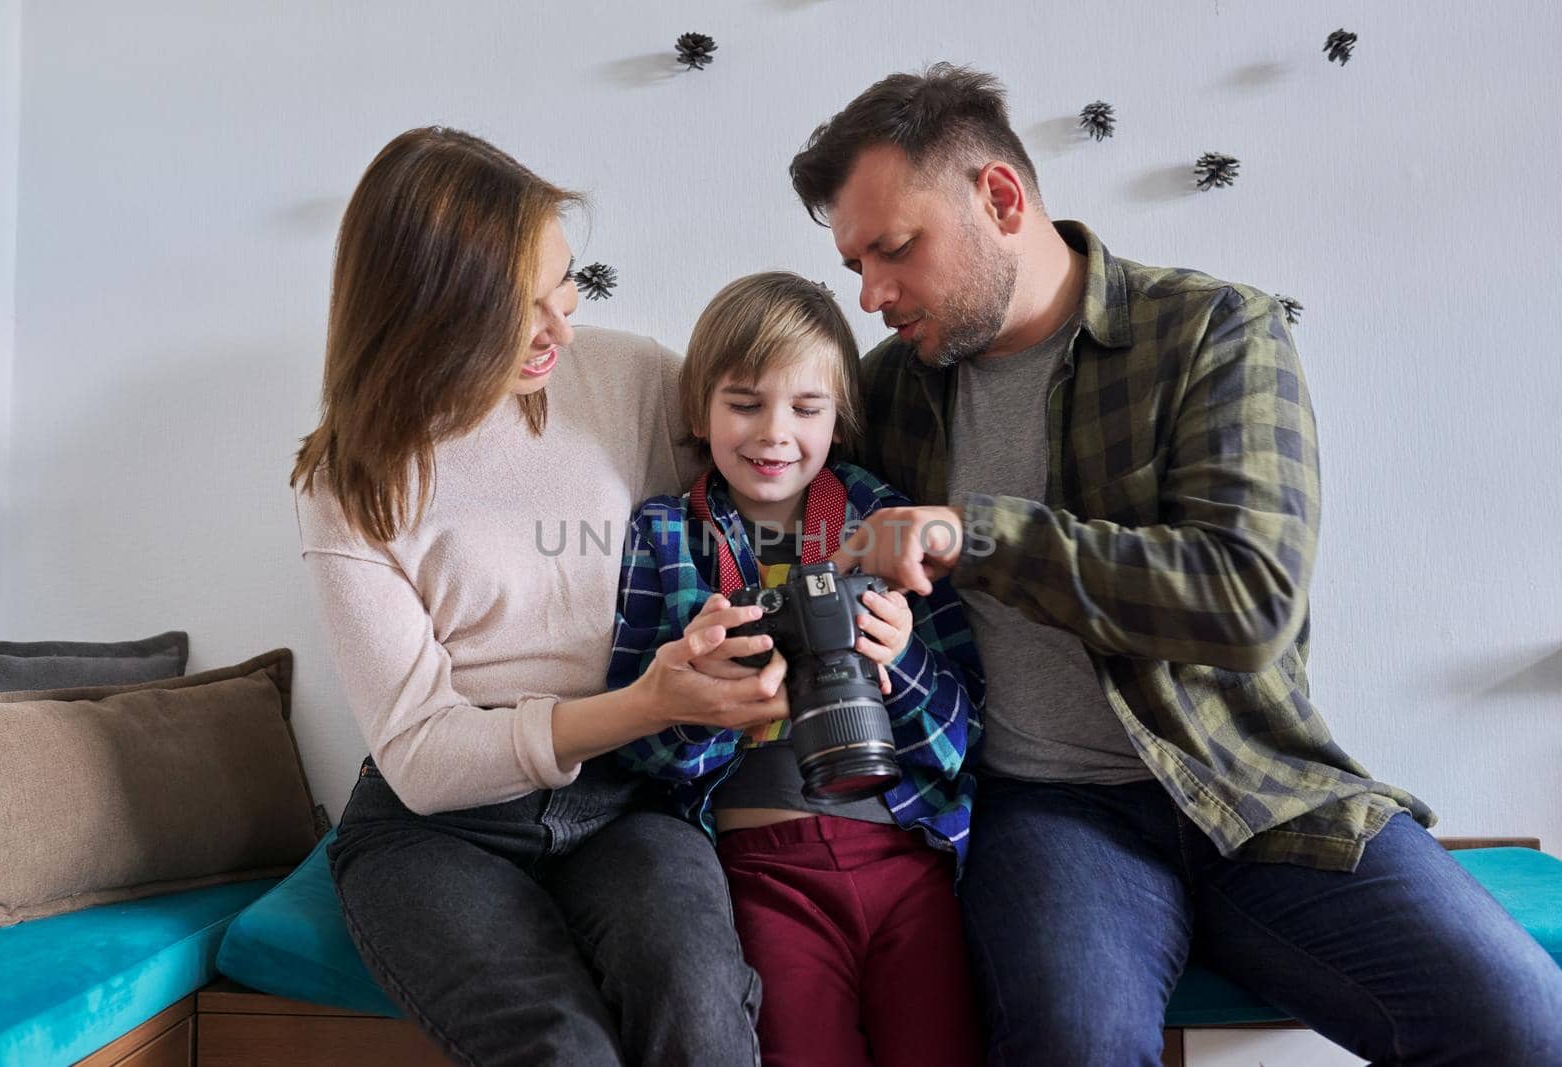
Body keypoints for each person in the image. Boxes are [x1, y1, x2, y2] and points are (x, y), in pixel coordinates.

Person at [786, 65, 1562, 1065]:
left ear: (1001, 198)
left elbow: (1246, 597)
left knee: (1523, 1025)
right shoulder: (891, 390)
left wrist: (975, 534)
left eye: (894, 249)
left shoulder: (1212, 331)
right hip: (1047, 809)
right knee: (1073, 1045)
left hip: (1253, 783)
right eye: (854, 263)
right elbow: (768, 481)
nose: (872, 294)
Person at [290, 126, 784, 1067]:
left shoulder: (631, 377)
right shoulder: (351, 480)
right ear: (428, 314)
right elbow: (425, 757)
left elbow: (773, 478)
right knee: (563, 1047)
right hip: (438, 832)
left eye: (565, 280)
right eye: (517, 308)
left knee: (700, 1006)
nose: (562, 323)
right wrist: (646, 703)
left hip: (629, 801)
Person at [607, 272, 985, 1067]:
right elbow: (633, 744)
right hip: (758, 868)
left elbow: (968, 728)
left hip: (907, 860)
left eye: (806, 409)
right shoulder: (668, 535)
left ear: (840, 417)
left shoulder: (885, 520)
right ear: (697, 409)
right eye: (744, 402)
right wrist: (706, 699)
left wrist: (901, 657)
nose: (774, 432)